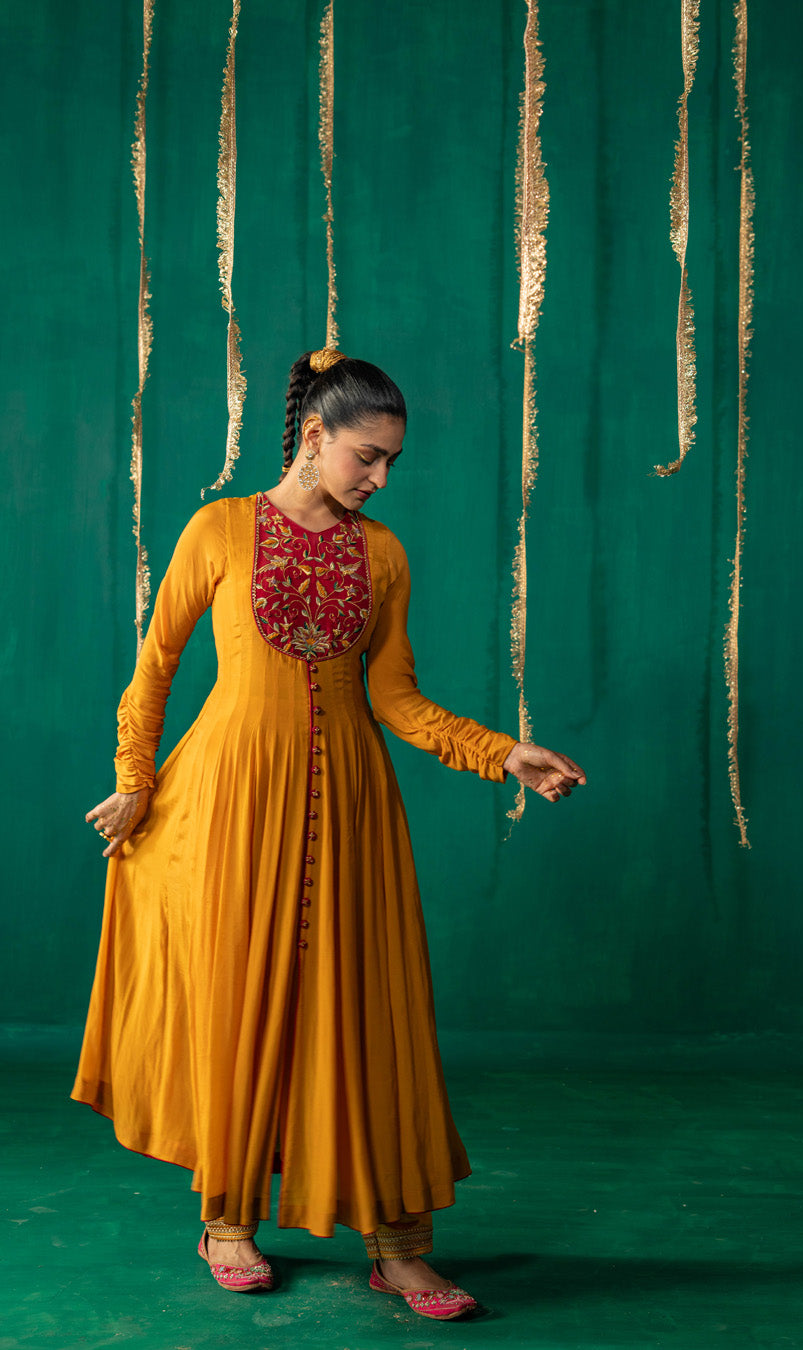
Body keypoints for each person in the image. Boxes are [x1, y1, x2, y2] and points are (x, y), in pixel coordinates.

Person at [73, 348, 586, 1321]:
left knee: (369, 1008)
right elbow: (154, 670)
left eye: (392, 461)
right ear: (314, 437)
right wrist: (135, 786)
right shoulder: (218, 530)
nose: (380, 478)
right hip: (232, 801)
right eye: (367, 456)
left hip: (351, 806)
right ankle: (226, 1219)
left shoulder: (382, 552)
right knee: (242, 997)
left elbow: (393, 695)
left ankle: (400, 1247)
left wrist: (500, 754)